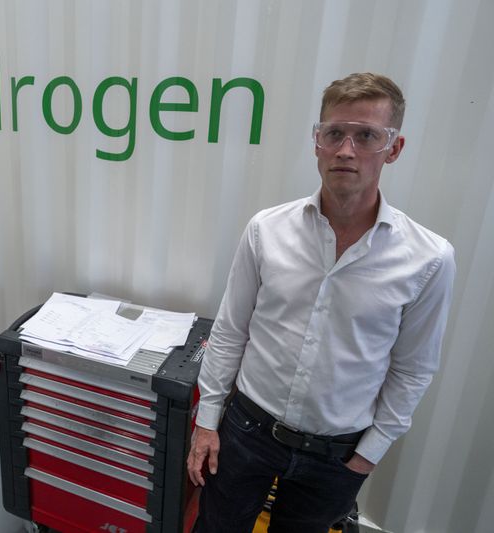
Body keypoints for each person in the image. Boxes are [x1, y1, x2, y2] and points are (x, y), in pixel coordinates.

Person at [187, 73, 456, 532]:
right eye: (334, 133)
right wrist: (208, 421)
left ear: (394, 148)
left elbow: (413, 368)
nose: (346, 150)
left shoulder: (428, 259)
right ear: (317, 141)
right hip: (248, 431)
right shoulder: (266, 231)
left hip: (337, 456)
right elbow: (231, 330)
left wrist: (369, 454)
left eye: (367, 135)